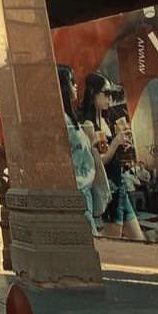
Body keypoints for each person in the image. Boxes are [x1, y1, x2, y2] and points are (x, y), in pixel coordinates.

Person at [80, 73, 142, 240]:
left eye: (111, 94)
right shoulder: (88, 124)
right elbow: (98, 161)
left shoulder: (106, 120)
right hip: (110, 187)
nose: (109, 98)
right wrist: (115, 142)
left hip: (119, 182)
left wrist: (121, 144)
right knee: (114, 239)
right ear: (93, 94)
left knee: (138, 238)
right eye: (105, 93)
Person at [58, 66, 105, 232]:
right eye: (72, 82)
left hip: (86, 190)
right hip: (78, 191)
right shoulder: (62, 120)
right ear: (63, 87)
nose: (76, 86)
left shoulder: (72, 118)